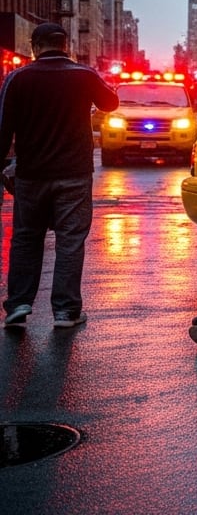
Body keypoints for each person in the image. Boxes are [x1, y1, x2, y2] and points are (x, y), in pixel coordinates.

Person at [1, 23, 120, 328]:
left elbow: (3, 130)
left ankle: (18, 305)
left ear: (34, 47)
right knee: (70, 240)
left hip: (31, 175)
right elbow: (111, 103)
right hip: (74, 174)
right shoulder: (83, 75)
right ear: (65, 45)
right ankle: (66, 311)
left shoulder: (17, 78)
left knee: (27, 239)